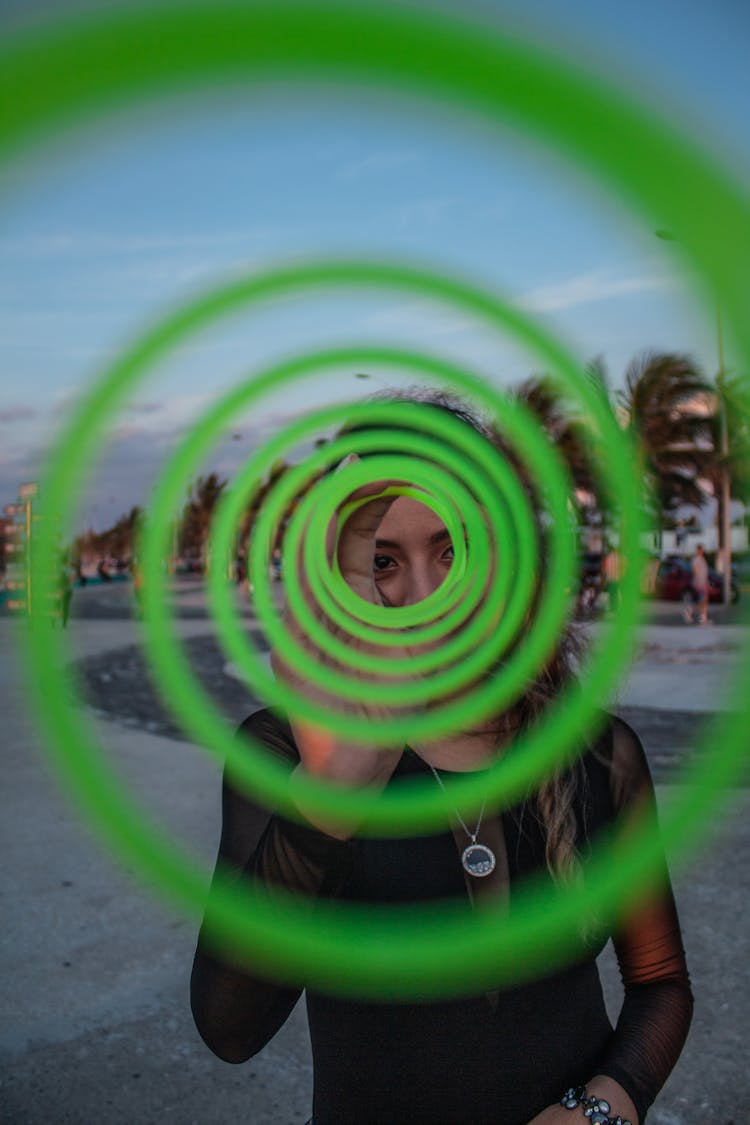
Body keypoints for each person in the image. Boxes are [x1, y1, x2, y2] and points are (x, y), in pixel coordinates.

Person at [191, 392, 692, 1125]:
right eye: (383, 560)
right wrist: (331, 796)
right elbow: (229, 1029)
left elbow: (661, 983)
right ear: (341, 578)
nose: (426, 597)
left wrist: (601, 1106)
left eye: (451, 548)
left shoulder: (597, 753)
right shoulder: (284, 752)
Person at [684, 543, 710, 625]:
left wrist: (707, 583)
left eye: (702, 550)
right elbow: (695, 571)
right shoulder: (696, 560)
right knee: (703, 600)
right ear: (698, 550)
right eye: (701, 550)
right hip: (699, 583)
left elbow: (705, 572)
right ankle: (702, 618)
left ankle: (691, 613)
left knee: (701, 601)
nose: (702, 551)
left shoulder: (702, 559)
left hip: (703, 583)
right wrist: (698, 583)